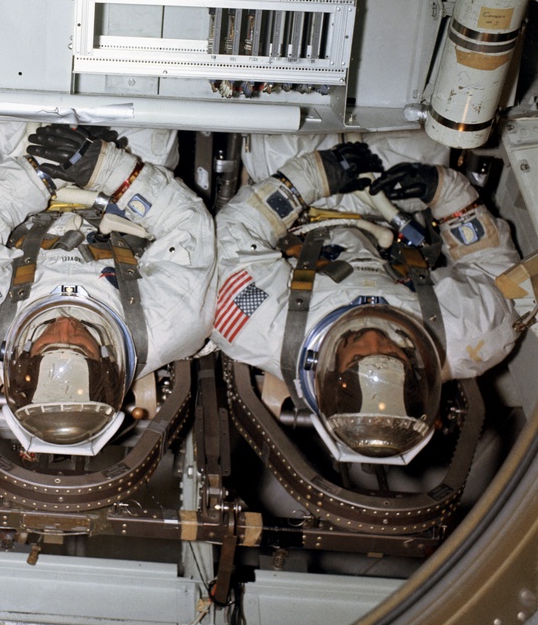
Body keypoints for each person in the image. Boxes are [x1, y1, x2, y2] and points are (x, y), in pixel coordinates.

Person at [209, 131, 519, 462]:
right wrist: (445, 191)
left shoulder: (258, 329)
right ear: (417, 371)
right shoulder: (472, 338)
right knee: (429, 140)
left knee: (273, 138)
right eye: (393, 356)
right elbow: (494, 270)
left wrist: (309, 176)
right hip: (396, 202)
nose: (374, 339)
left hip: (294, 201)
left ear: (325, 375)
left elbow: (234, 236)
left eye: (358, 358)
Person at [0, 123, 216, 453]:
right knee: (145, 93)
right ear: (108, 361)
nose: (66, 329)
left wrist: (39, 173)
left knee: (14, 100)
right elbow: (188, 225)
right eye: (81, 346)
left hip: (24, 178)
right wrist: (109, 169)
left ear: (23, 358)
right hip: (136, 183)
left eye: (48, 345)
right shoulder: (167, 324)